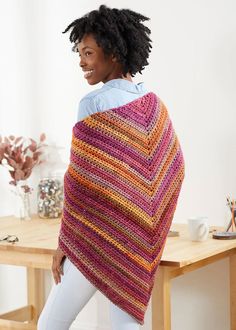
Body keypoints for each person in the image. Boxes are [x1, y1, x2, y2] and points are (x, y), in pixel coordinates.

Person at [38, 4, 185, 330]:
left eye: (88, 53)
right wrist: (149, 224)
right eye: (79, 52)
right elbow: (175, 169)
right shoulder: (153, 103)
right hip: (136, 244)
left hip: (93, 242)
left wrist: (65, 241)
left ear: (115, 54)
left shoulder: (93, 104)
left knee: (50, 325)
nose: (81, 61)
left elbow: (78, 184)